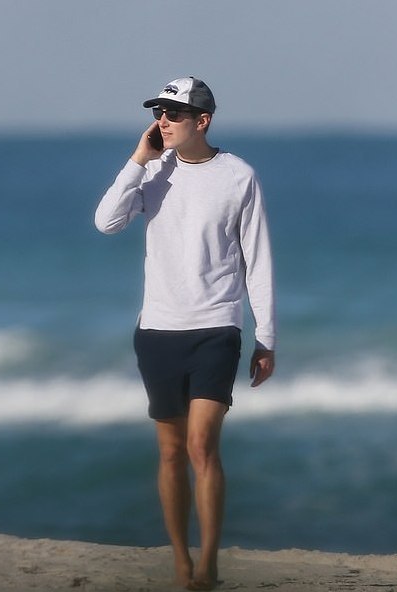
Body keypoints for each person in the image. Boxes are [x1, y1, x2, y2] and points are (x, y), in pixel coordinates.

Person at [94, 77, 276, 590]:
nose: (163, 121)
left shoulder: (238, 176)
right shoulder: (152, 173)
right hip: (157, 331)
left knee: (201, 447)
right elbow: (106, 222)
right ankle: (180, 560)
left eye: (174, 112)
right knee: (171, 453)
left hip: (216, 328)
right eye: (159, 112)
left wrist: (268, 338)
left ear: (204, 120)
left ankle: (209, 562)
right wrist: (137, 160)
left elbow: (257, 261)